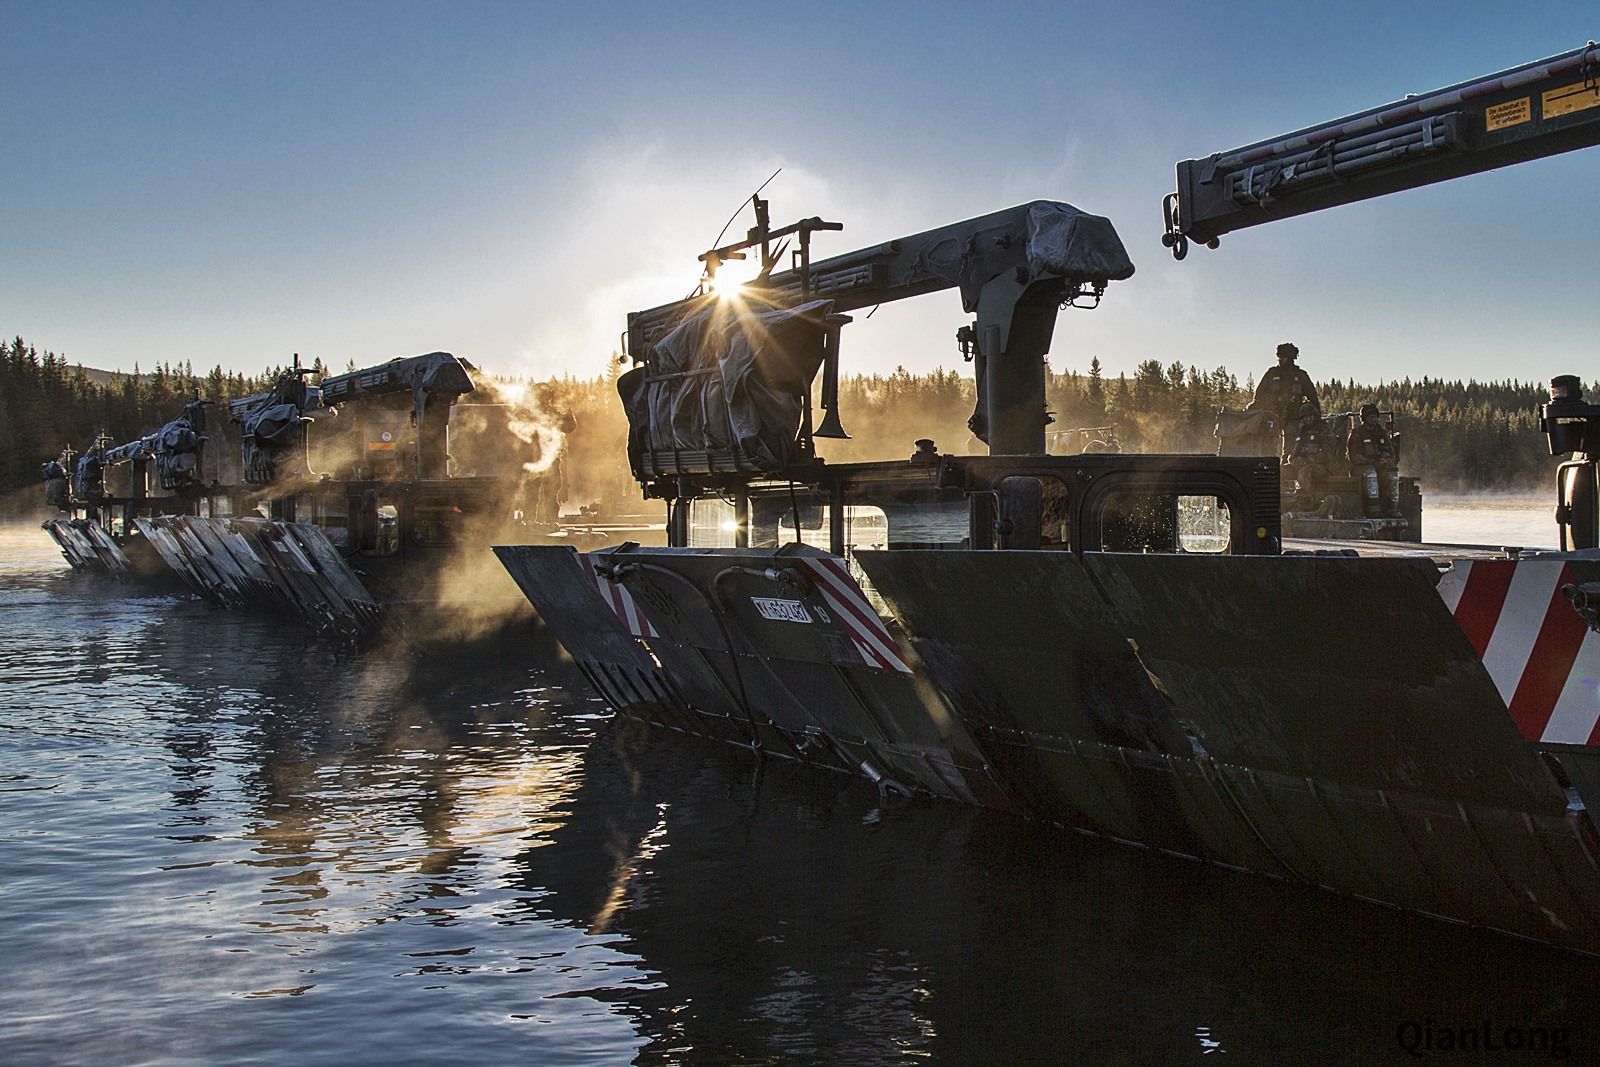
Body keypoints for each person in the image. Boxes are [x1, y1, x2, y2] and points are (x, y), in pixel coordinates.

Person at [1252, 342, 1321, 457]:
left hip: (1293, 418)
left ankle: (1286, 471)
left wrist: (1316, 417)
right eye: (1279, 357)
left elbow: (1313, 398)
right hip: (1272, 416)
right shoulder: (1271, 373)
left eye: (1283, 357)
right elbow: (1259, 395)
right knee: (1268, 449)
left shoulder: (1300, 376)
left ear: (1291, 358)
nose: (1280, 360)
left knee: (1291, 450)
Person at [1348, 402, 1402, 519]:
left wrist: (1387, 461)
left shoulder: (1382, 433)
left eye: (1376, 417)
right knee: (1371, 474)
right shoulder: (1357, 433)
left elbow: (1392, 453)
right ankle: (1374, 509)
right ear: (1364, 419)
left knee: (1392, 476)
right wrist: (1370, 462)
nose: (1374, 420)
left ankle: (1392, 508)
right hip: (1361, 467)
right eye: (1371, 417)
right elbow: (1353, 456)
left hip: (1380, 465)